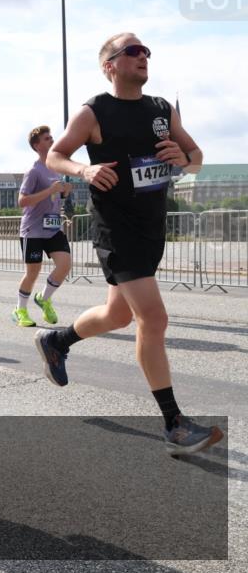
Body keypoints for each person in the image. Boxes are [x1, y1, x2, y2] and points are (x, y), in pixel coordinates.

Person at [36, 32, 221, 456]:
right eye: (133, 52)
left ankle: (57, 342)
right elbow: (55, 156)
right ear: (110, 65)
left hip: (150, 226)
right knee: (153, 320)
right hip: (115, 228)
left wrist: (183, 158)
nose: (144, 57)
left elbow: (197, 158)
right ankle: (174, 424)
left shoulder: (161, 109)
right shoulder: (94, 110)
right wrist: (83, 171)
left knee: (117, 314)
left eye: (146, 52)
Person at [13, 125, 74, 327]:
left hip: (53, 227)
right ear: (37, 145)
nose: (51, 140)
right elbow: (22, 201)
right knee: (33, 272)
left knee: (65, 264)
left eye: (51, 137)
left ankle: (44, 298)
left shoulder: (56, 168)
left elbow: (55, 194)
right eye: (47, 138)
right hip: (33, 229)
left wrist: (64, 192)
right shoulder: (33, 170)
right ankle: (20, 309)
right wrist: (50, 191)